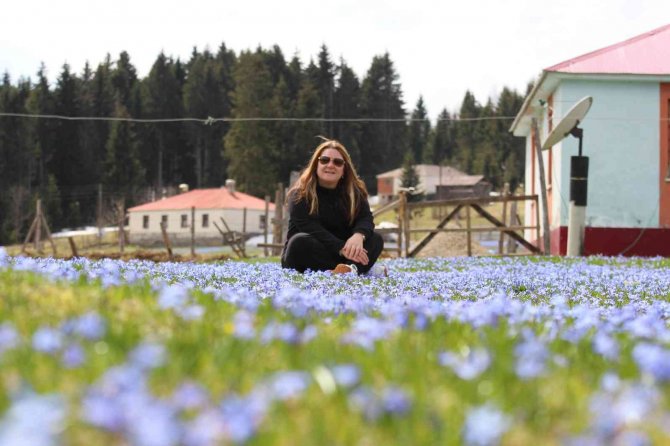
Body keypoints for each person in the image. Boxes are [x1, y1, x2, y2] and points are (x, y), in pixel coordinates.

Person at [281, 138, 385, 275]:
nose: (330, 165)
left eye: (337, 162)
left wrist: (359, 235)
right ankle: (358, 269)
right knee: (298, 242)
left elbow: (366, 218)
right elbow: (309, 227)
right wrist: (341, 247)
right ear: (316, 164)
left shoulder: (355, 193)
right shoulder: (300, 193)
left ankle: (347, 270)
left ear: (344, 169)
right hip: (311, 252)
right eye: (324, 160)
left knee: (375, 239)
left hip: (344, 253)